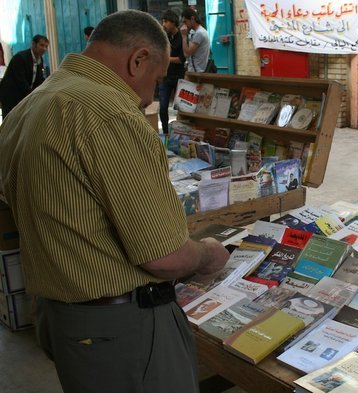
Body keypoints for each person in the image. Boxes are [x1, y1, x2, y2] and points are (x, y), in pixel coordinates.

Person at [0, 10, 229, 393]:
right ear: (138, 59)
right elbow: (164, 257)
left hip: (62, 315)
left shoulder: (31, 105)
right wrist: (206, 254)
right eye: (155, 81)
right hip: (122, 327)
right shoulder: (108, 113)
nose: (147, 100)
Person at [0, 34, 49, 119]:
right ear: (33, 44)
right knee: (10, 122)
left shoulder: (39, 59)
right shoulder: (21, 58)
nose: (44, 49)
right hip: (11, 96)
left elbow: (39, 79)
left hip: (24, 96)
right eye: (41, 45)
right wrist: (32, 95)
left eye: (46, 46)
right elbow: (20, 81)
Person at [159, 9, 186, 135]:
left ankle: (182, 134)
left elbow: (181, 59)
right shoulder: (165, 36)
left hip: (179, 77)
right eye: (162, 21)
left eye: (166, 21)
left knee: (183, 108)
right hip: (166, 77)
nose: (163, 24)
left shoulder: (182, 37)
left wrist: (166, 59)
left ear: (174, 22)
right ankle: (166, 134)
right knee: (163, 108)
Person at [180, 8, 210, 72]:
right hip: (194, 70)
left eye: (185, 22)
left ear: (192, 19)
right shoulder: (194, 32)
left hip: (197, 72)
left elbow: (187, 54)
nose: (184, 25)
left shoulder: (199, 33)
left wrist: (184, 36)